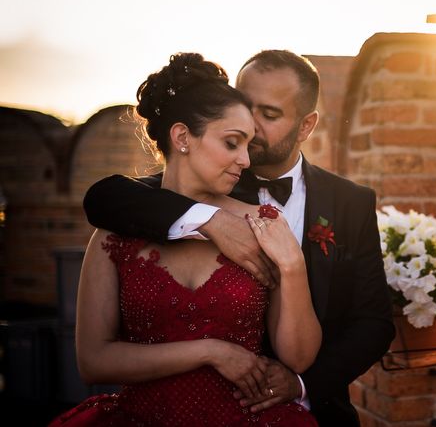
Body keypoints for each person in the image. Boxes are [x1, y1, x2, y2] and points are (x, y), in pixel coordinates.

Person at [82, 50, 395, 426]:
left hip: (309, 408)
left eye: (270, 114)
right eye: (246, 108)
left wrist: (301, 384)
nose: (253, 126)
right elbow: (104, 198)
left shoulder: (351, 202)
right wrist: (210, 219)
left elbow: (374, 322)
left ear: (306, 125)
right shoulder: (203, 180)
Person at [52, 53, 320, 426]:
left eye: (248, 145)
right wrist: (210, 352)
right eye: (232, 143)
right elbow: (92, 361)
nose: (246, 160)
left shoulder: (262, 225)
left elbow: (298, 359)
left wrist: (292, 267)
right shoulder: (115, 230)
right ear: (182, 137)